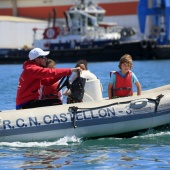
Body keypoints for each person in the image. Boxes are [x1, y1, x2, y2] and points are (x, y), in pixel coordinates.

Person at [16, 48, 81, 109]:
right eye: (43, 57)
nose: (46, 59)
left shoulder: (32, 69)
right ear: (37, 59)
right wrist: (70, 70)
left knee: (55, 101)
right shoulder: (32, 69)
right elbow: (49, 72)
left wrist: (62, 74)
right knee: (57, 102)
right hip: (24, 105)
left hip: (28, 102)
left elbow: (47, 82)